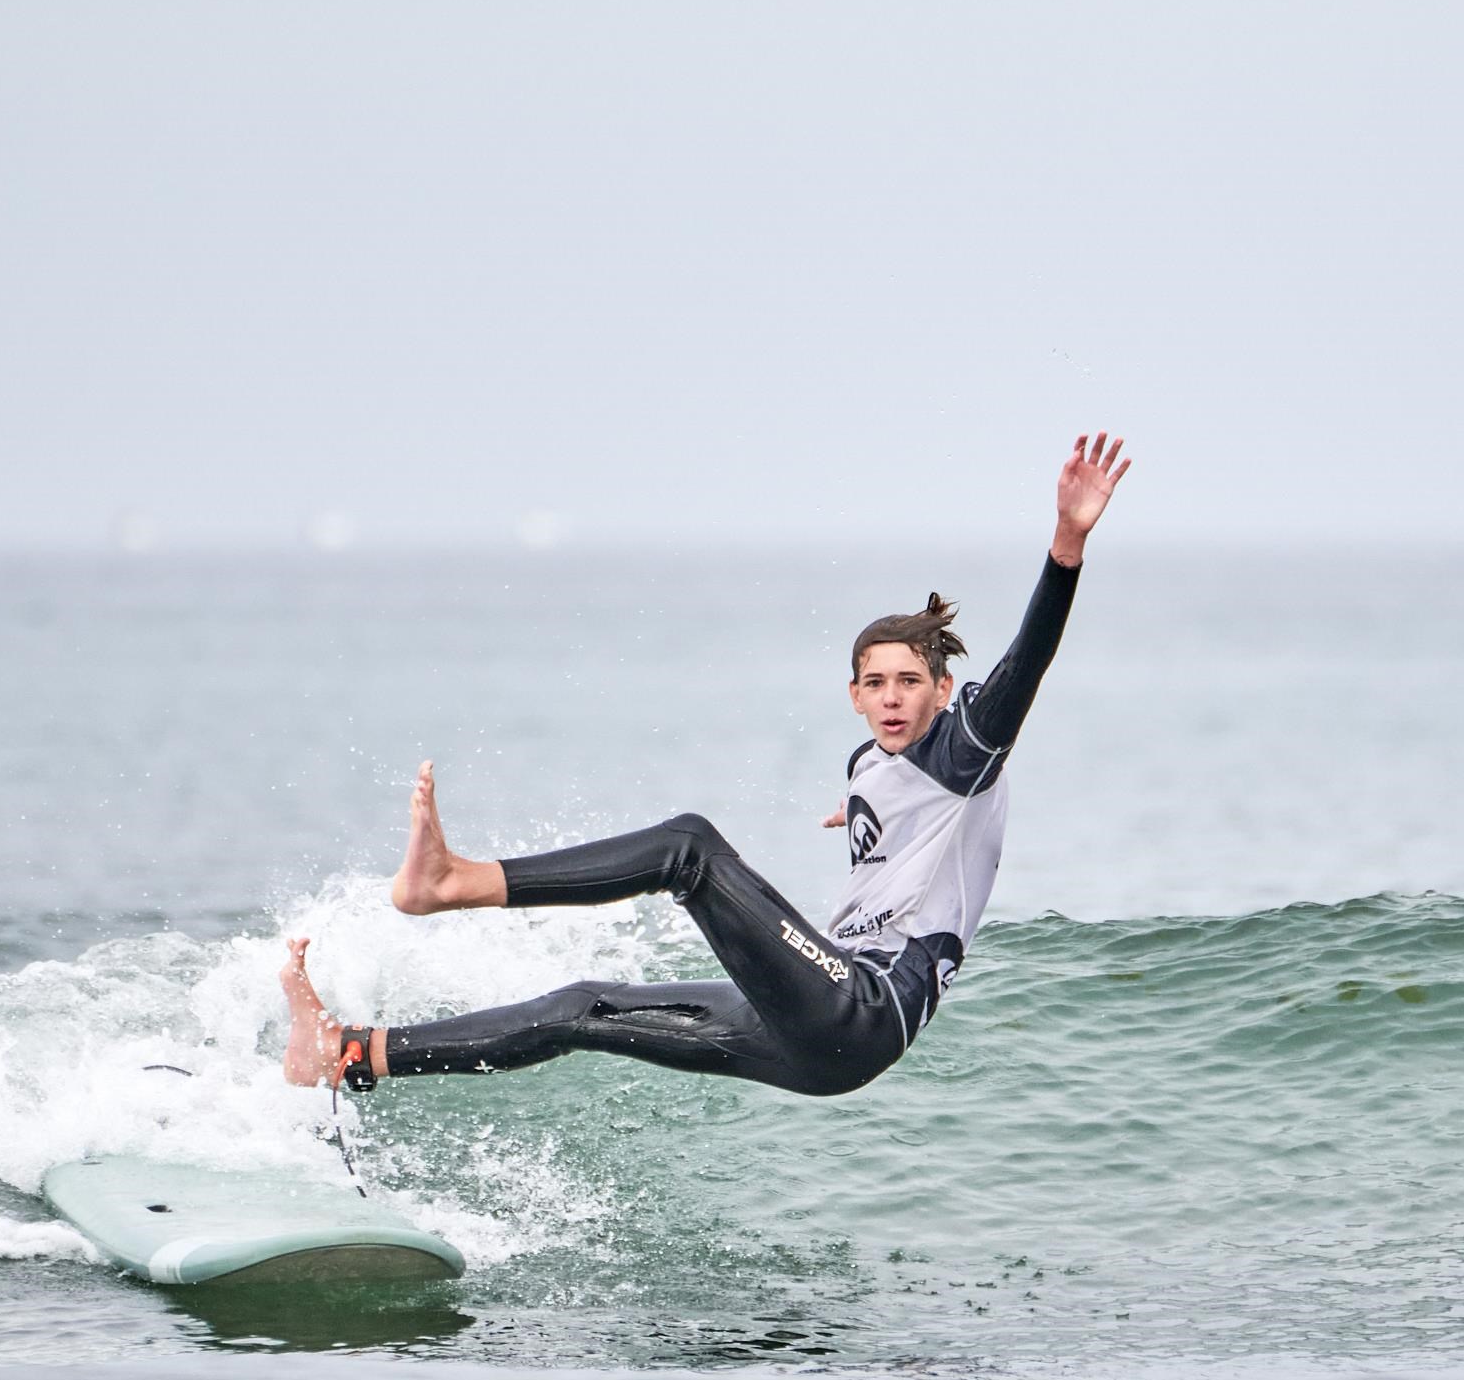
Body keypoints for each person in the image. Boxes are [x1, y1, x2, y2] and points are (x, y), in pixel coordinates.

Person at [282, 431, 1131, 1099]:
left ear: (945, 691)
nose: (893, 697)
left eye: (912, 682)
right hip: (807, 1036)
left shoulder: (964, 746)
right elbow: (904, 818)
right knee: (583, 1006)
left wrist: (1065, 547)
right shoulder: (875, 762)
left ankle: (454, 884)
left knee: (689, 849)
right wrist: (871, 811)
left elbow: (1027, 663)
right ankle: (347, 1056)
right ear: (853, 695)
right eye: (875, 683)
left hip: (866, 1010)